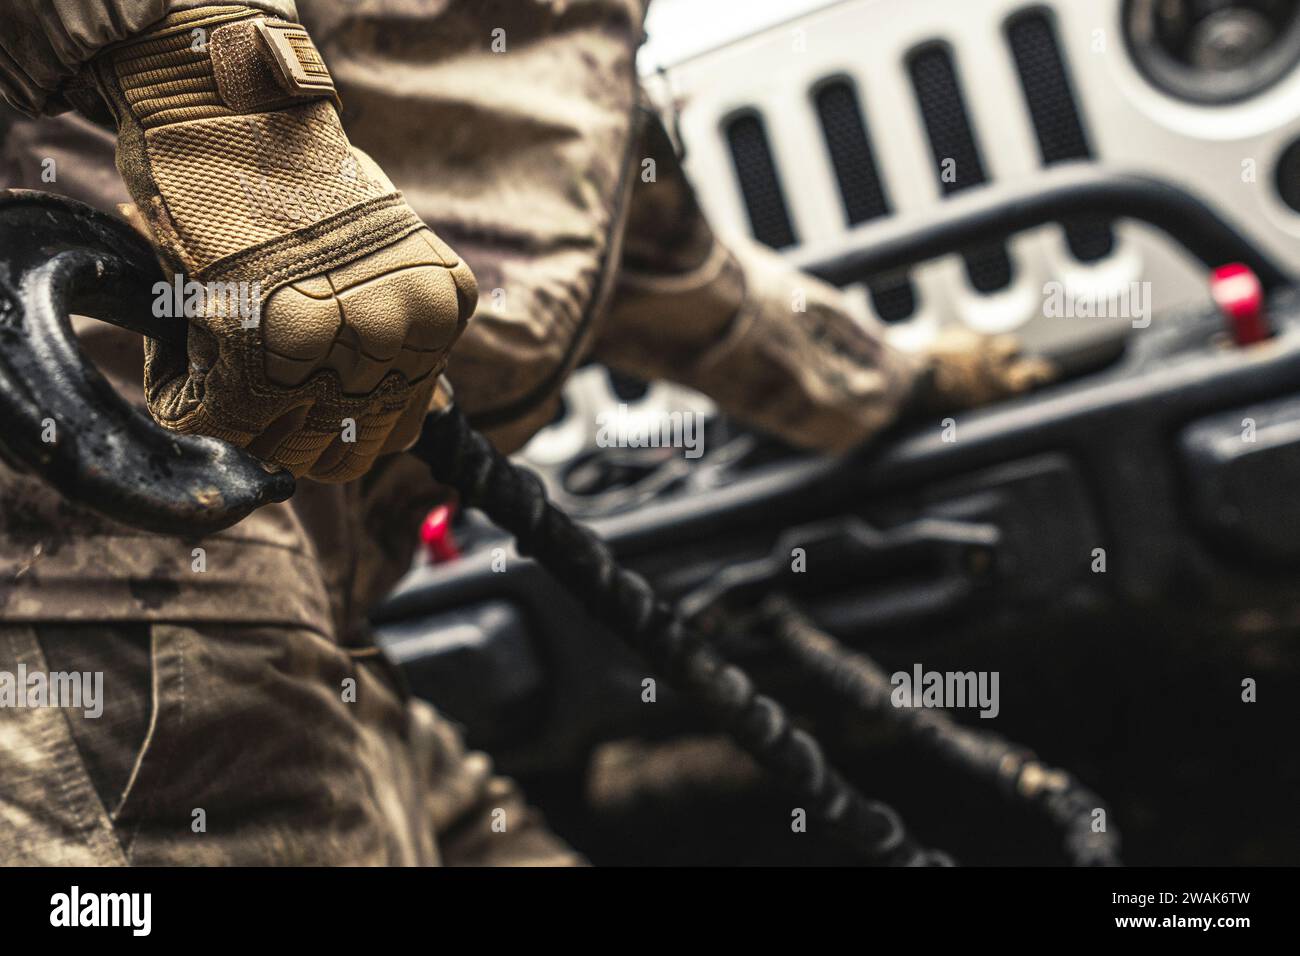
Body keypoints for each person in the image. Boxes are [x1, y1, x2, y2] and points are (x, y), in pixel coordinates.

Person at [0, 0, 1049, 865]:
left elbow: (688, 289)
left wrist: (904, 382)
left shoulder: (577, 54)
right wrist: (208, 80)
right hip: (103, 575)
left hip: (311, 615)